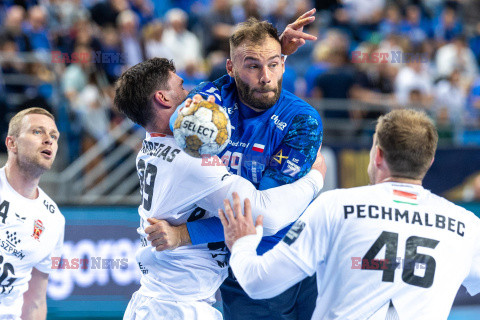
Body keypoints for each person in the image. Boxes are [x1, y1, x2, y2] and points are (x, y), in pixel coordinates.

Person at [114, 56, 325, 319]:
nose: (192, 94)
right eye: (181, 87)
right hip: (178, 307)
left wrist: (269, 54)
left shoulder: (154, 142)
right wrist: (315, 178)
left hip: (160, 300)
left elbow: (228, 88)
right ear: (163, 98)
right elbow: (263, 218)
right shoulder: (189, 160)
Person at [221, 109, 480, 319]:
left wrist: (242, 242)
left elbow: (259, 282)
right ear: (429, 161)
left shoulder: (334, 206)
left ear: (377, 155)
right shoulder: (467, 226)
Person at [0, 107, 65, 319]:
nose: (49, 140)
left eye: (54, 135)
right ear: (12, 143)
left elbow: (36, 301)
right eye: (37, 132)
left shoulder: (54, 220)